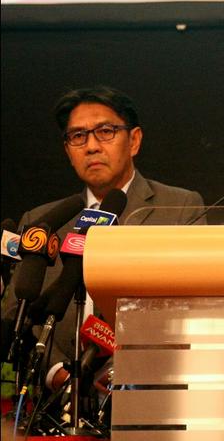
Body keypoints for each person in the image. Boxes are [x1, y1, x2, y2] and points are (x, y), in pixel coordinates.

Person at [2, 86, 204, 395]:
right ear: (68, 150)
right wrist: (58, 375)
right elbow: (15, 314)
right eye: (78, 136)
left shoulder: (178, 208)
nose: (92, 146)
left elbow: (195, 307)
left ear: (134, 140)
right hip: (56, 406)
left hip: (153, 395)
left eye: (105, 131)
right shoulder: (42, 220)